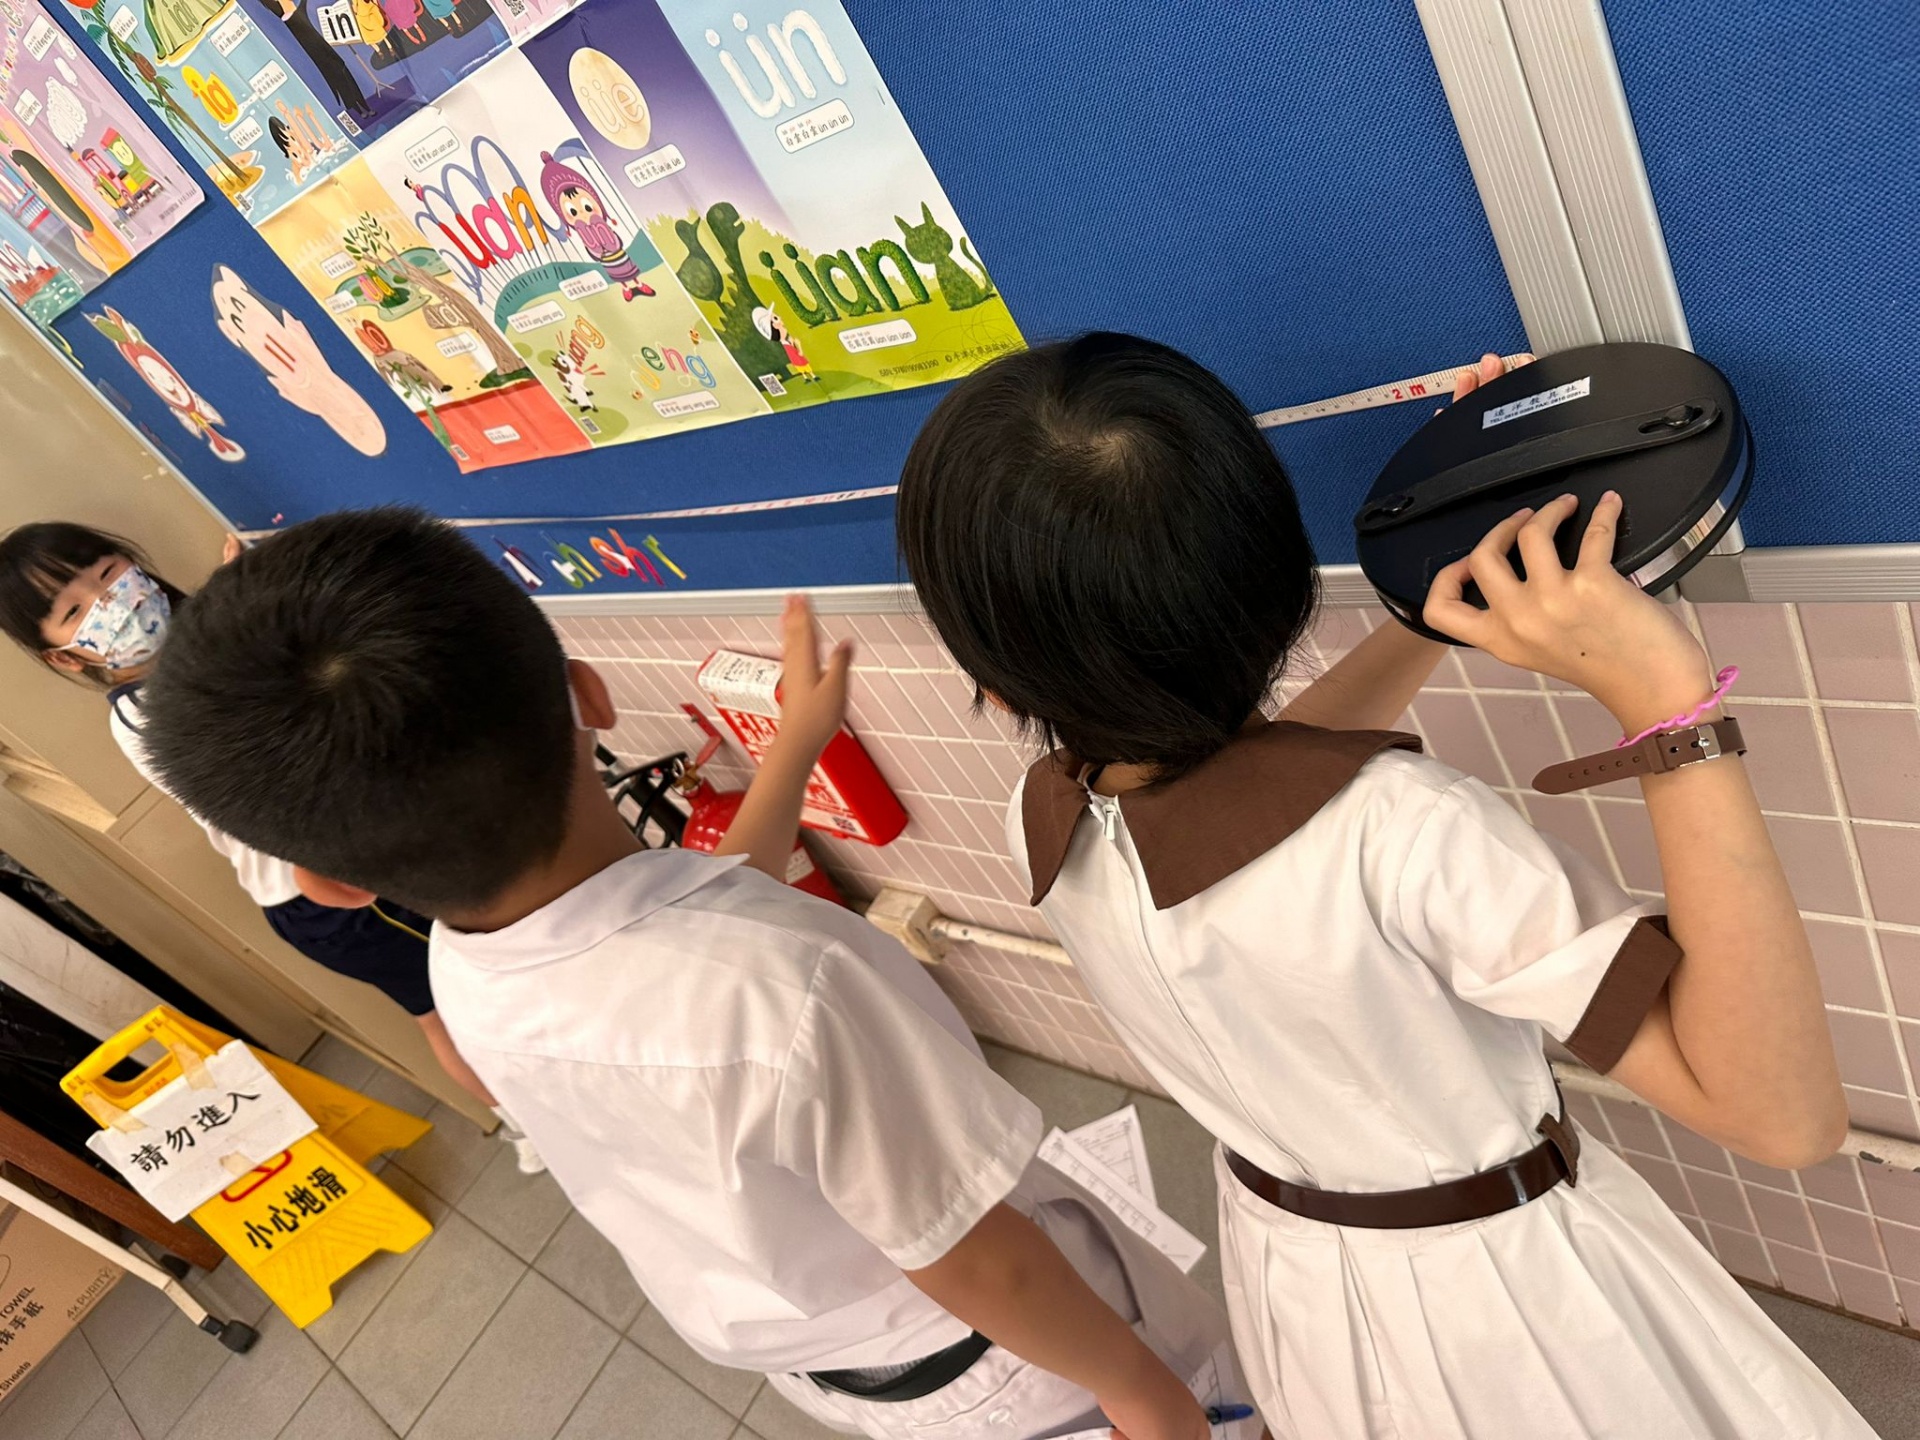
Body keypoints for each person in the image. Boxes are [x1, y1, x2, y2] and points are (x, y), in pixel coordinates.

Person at [894, 333, 1873, 1439]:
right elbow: (1783, 1120)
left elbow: (1248, 787)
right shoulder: (1408, 837)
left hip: (1297, 1277)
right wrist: (1669, 710)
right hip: (1519, 1321)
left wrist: (1434, 601)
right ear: (1282, 586)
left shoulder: (1049, 814)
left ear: (991, 675)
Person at [131, 507, 1248, 1440]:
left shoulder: (465, 972)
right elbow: (973, 1259)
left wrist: (792, 748)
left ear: (327, 883)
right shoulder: (795, 991)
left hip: (851, 1368)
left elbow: (697, 916)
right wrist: (1144, 1397)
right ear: (590, 693)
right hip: (1014, 1355)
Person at [0, 522, 542, 1173]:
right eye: (75, 610)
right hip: (328, 894)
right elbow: (272, 767)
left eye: (108, 572)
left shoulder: (216, 631)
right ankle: (529, 1123)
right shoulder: (142, 716)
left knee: (493, 967)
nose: (109, 601)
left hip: (368, 850)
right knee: (443, 1008)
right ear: (65, 657)